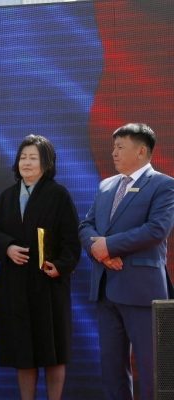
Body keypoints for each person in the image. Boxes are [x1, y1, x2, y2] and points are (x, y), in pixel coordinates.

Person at [79, 123, 174, 400]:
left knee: (151, 367)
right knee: (112, 368)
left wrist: (108, 246)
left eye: (120, 147)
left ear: (141, 151)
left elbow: (156, 229)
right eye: (114, 147)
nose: (114, 153)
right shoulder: (107, 185)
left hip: (142, 291)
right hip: (106, 288)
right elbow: (86, 225)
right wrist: (98, 250)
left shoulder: (163, 185)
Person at [0, 135, 80, 400]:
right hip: (14, 285)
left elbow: (72, 240)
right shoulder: (7, 196)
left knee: (53, 351)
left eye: (33, 158)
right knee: (23, 352)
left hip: (48, 284)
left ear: (46, 163)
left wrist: (60, 266)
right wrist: (7, 247)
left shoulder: (58, 195)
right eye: (23, 157)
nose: (26, 162)